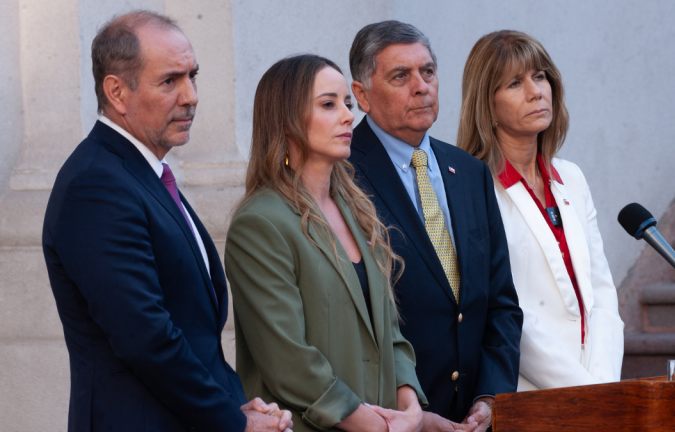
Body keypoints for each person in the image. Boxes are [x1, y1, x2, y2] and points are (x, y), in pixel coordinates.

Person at [42, 11, 292, 432]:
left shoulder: (140, 175)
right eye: (170, 81)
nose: (191, 96)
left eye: (193, 76)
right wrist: (234, 422)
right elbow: (146, 338)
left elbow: (195, 336)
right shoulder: (96, 184)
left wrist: (236, 406)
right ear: (117, 92)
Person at [224, 54, 427, 432]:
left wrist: (411, 409)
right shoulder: (261, 223)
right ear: (287, 120)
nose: (349, 116)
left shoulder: (357, 210)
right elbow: (290, 363)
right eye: (329, 104)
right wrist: (379, 427)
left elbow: (390, 334)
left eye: (347, 103)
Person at [347, 21, 524, 431]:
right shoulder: (342, 174)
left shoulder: (470, 171)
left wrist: (490, 396)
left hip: (473, 419)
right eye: (400, 76)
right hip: (391, 416)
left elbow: (500, 302)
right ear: (362, 95)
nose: (421, 86)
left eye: (427, 71)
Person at [457, 30, 624, 391]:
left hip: (598, 385)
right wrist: (584, 391)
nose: (536, 92)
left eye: (540, 76)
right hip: (526, 392)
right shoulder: (472, 188)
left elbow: (601, 291)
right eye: (515, 83)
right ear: (487, 104)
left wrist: (604, 386)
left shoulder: (571, 177)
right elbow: (507, 309)